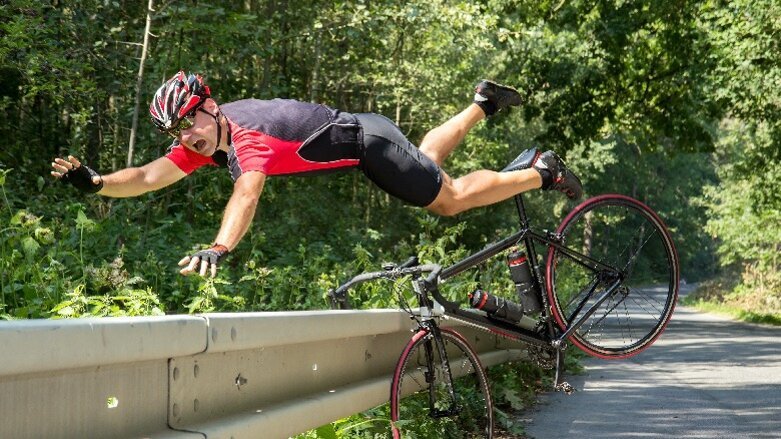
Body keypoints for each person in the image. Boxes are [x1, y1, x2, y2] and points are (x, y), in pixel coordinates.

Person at [51, 71, 582, 278]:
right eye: (178, 130)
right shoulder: (208, 136)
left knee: (450, 199)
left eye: (190, 120)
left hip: (368, 145)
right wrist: (96, 183)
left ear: (209, 105)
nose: (187, 136)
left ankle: (539, 171)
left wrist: (219, 247)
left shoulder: (244, 135)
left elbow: (247, 193)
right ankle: (482, 104)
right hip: (368, 136)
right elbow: (146, 177)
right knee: (427, 161)